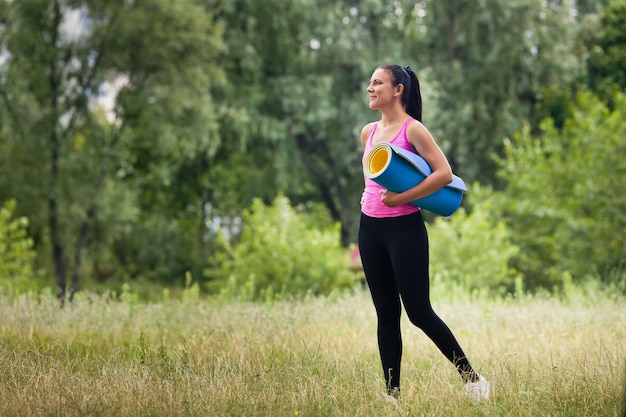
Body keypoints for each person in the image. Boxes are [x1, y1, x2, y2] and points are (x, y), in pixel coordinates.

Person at [358, 64, 490, 401]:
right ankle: (392, 395)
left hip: (405, 231)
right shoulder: (368, 132)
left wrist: (400, 198)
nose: (370, 88)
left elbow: (444, 174)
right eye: (370, 83)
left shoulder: (414, 130)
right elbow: (374, 181)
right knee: (386, 313)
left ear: (398, 89)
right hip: (370, 229)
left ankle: (473, 380)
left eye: (378, 82)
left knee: (418, 312)